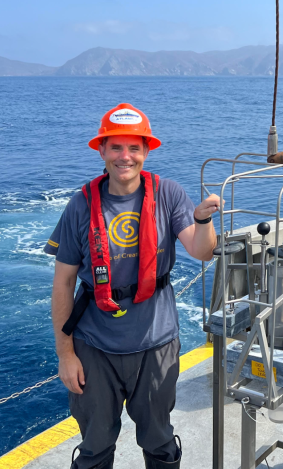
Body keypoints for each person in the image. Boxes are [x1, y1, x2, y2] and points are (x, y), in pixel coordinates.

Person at [44, 103, 221, 469]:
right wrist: (66, 355)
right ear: (102, 150)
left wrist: (202, 219)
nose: (125, 157)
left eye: (134, 148)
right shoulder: (80, 206)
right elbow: (62, 285)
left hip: (155, 344)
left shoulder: (168, 194)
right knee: (94, 446)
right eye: (116, 147)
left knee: (159, 440)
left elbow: (202, 251)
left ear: (146, 151)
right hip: (94, 346)